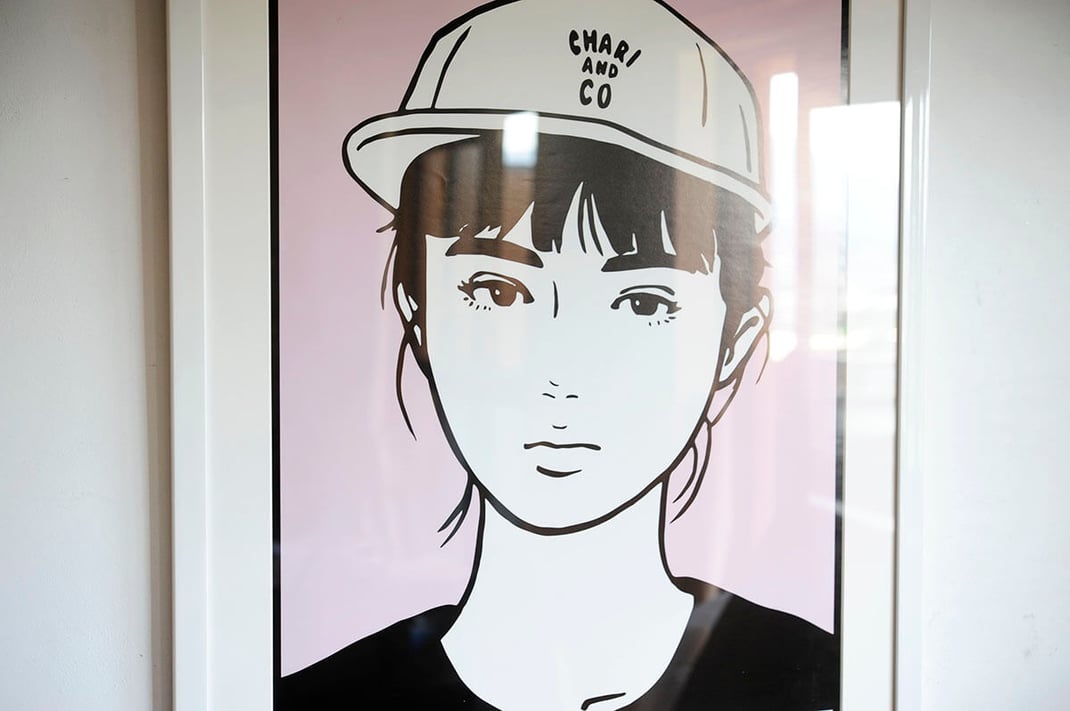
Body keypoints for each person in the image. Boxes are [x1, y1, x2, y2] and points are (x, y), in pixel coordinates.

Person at [282, 0, 838, 708]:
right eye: (498, 290)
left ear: (735, 340)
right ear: (416, 309)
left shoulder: (819, 682)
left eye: (644, 303)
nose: (562, 374)